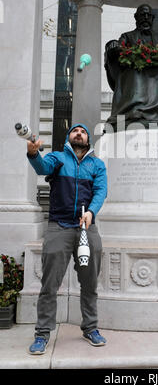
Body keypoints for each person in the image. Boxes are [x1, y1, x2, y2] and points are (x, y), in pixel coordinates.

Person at [26, 123, 107, 354]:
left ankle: (90, 328)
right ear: (68, 137)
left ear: (88, 139)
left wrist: (91, 211)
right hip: (59, 227)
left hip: (86, 228)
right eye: (75, 131)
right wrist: (33, 153)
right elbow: (41, 167)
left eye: (83, 131)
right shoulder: (58, 158)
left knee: (90, 283)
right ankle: (42, 333)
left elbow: (101, 191)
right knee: (49, 284)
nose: (79, 133)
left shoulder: (97, 165)